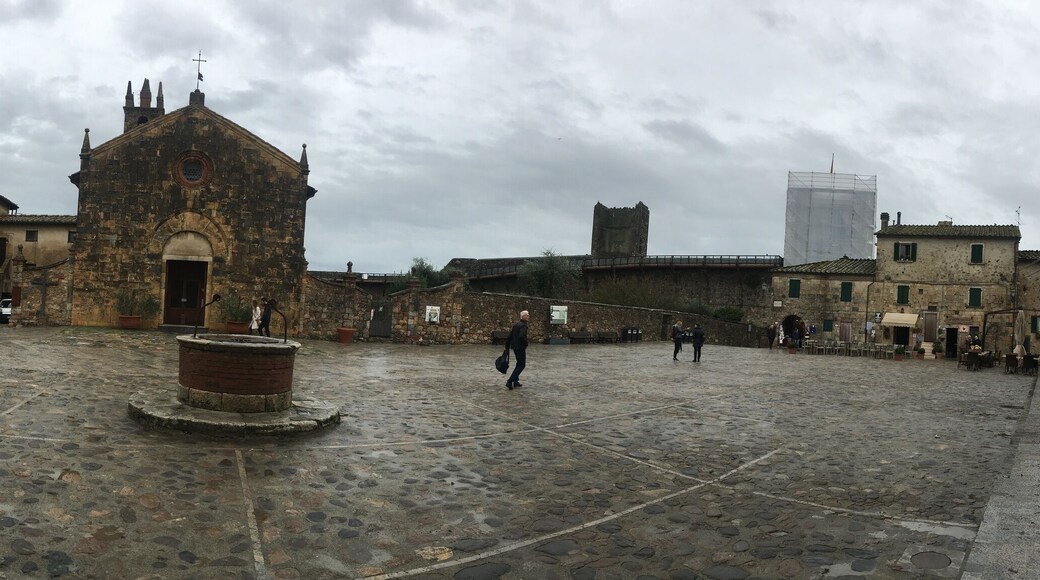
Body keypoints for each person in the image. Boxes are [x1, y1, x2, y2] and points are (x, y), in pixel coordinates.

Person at [505, 310, 530, 390]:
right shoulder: (523, 326)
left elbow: (510, 335)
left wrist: (507, 346)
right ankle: (510, 380)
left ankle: (515, 381)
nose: (528, 316)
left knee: (518, 363)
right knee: (521, 365)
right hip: (520, 347)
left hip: (515, 347)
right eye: (527, 315)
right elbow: (521, 336)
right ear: (523, 316)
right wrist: (526, 343)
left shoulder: (516, 325)